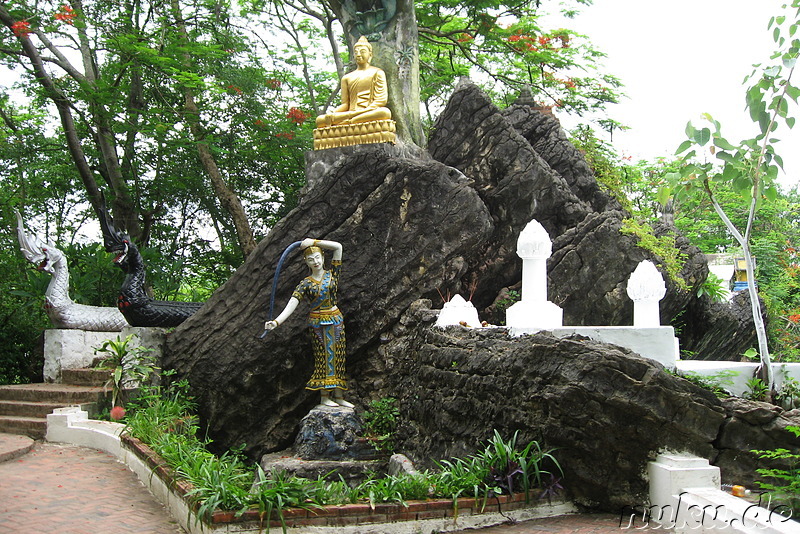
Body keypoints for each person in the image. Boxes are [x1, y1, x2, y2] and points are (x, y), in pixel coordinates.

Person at [264, 238, 353, 408]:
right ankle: (325, 396)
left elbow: (338, 247)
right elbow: (292, 303)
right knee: (324, 357)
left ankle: (339, 395)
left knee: (339, 356)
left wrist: (314, 241)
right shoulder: (305, 284)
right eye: (311, 259)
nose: (316, 262)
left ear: (322, 257)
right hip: (318, 323)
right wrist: (276, 322)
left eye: (318, 257)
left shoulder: (332, 274)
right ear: (306, 262)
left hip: (335, 319)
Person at [315, 36, 392, 128]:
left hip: (369, 112)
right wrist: (333, 113)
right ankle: (353, 120)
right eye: (356, 52)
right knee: (320, 120)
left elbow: (381, 100)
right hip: (351, 113)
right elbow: (345, 104)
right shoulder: (347, 78)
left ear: (370, 55)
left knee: (384, 112)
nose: (358, 55)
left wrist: (363, 111)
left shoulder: (377, 73)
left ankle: (351, 122)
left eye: (362, 52)